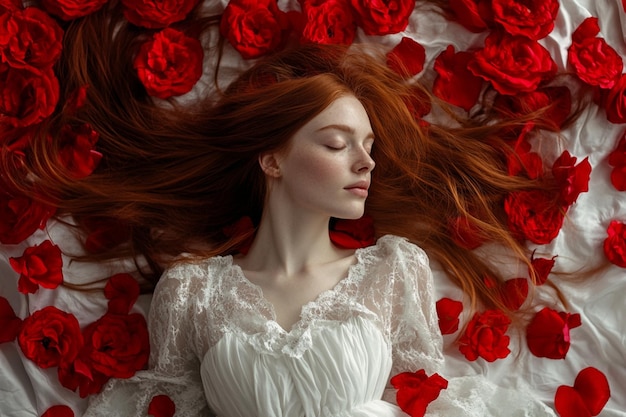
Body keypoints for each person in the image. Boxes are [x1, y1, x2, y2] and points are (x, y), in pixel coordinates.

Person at [3, 4, 564, 416]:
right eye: (338, 143)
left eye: (370, 147)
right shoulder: (193, 292)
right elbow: (164, 404)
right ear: (272, 160)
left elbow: (428, 399)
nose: (365, 163)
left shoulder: (393, 269)